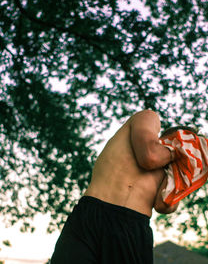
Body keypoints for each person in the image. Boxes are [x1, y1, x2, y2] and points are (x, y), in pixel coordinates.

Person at [51, 110, 184, 264]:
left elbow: (164, 206)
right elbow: (149, 157)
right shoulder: (148, 118)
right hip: (91, 213)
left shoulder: (171, 169)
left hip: (131, 226)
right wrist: (180, 152)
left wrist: (185, 172)